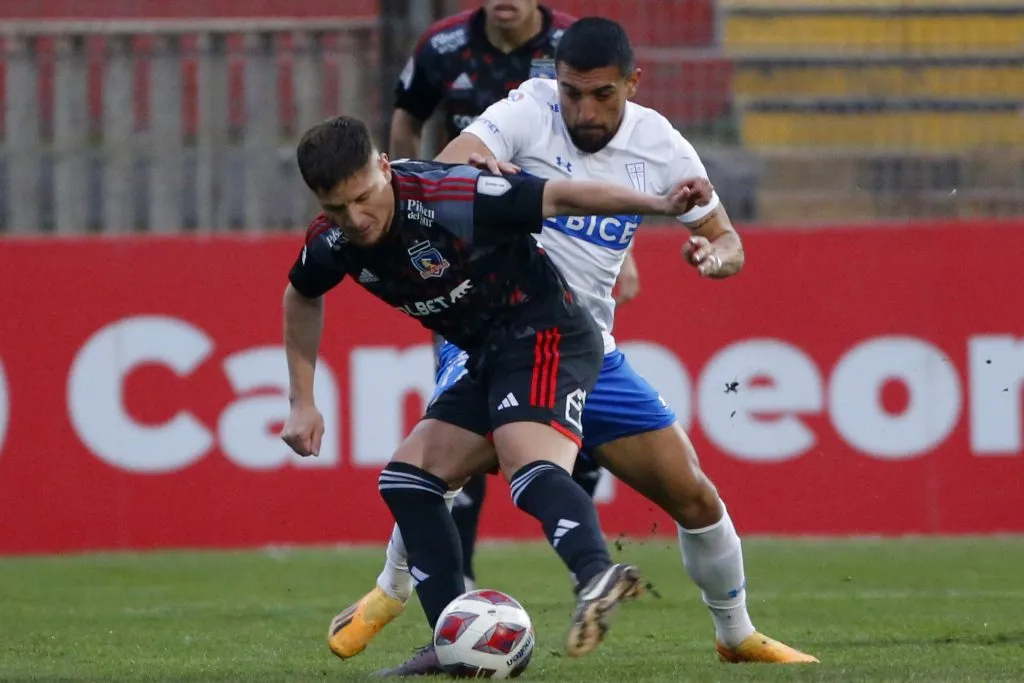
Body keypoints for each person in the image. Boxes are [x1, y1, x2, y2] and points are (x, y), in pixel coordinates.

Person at [328, 18, 819, 672]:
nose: (583, 109)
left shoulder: (664, 148)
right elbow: (449, 163)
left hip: (586, 345)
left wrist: (716, 254)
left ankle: (736, 634)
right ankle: (400, 595)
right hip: (491, 328)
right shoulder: (530, 108)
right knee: (436, 466)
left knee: (694, 493)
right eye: (571, 93)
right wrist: (482, 164)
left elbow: (727, 239)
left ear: (632, 85)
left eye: (602, 95)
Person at [280, 116, 713, 668]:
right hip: (487, 353)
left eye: (364, 198)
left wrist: (663, 205)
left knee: (525, 462)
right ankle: (451, 644)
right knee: (408, 480)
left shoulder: (452, 196)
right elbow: (301, 295)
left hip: (547, 332)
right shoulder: (334, 240)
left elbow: (561, 196)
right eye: (337, 208)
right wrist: (302, 399)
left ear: (383, 168)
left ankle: (596, 573)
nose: (356, 219)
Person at [392, 1, 640, 587]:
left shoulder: (574, 47)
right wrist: (409, 203)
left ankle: (586, 560)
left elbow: (608, 161)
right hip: (469, 270)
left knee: (561, 434)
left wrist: (624, 250)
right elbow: (407, 121)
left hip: (563, 267)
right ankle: (459, 585)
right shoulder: (440, 47)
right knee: (457, 426)